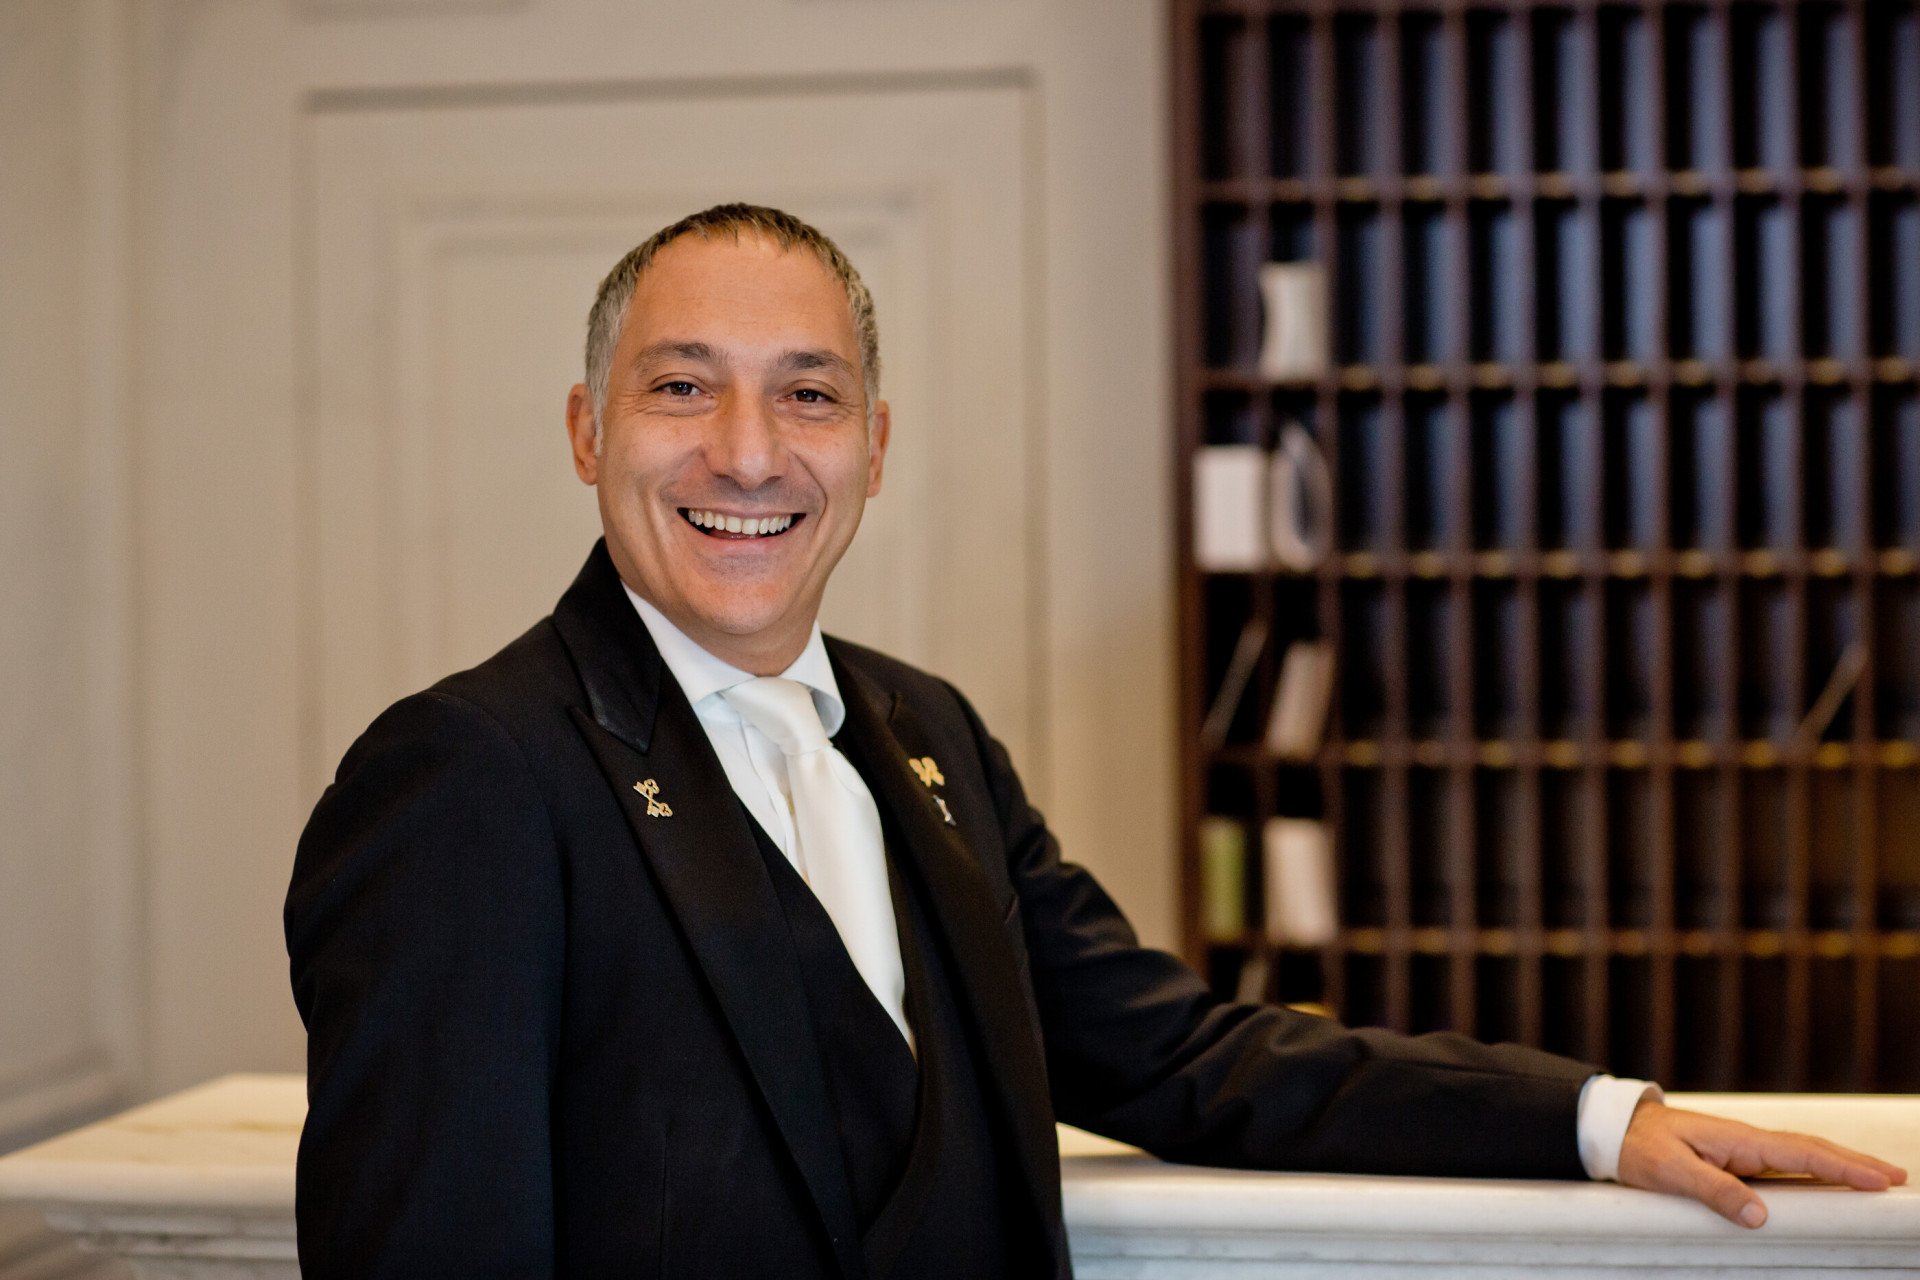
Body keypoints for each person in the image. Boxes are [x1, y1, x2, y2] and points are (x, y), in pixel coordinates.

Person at [285, 204, 1905, 1279]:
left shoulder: (928, 731)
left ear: (875, 444)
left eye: (810, 396)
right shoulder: (465, 779)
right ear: (586, 430)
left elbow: (1181, 1057)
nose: (748, 453)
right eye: (681, 387)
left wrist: (1595, 1118)